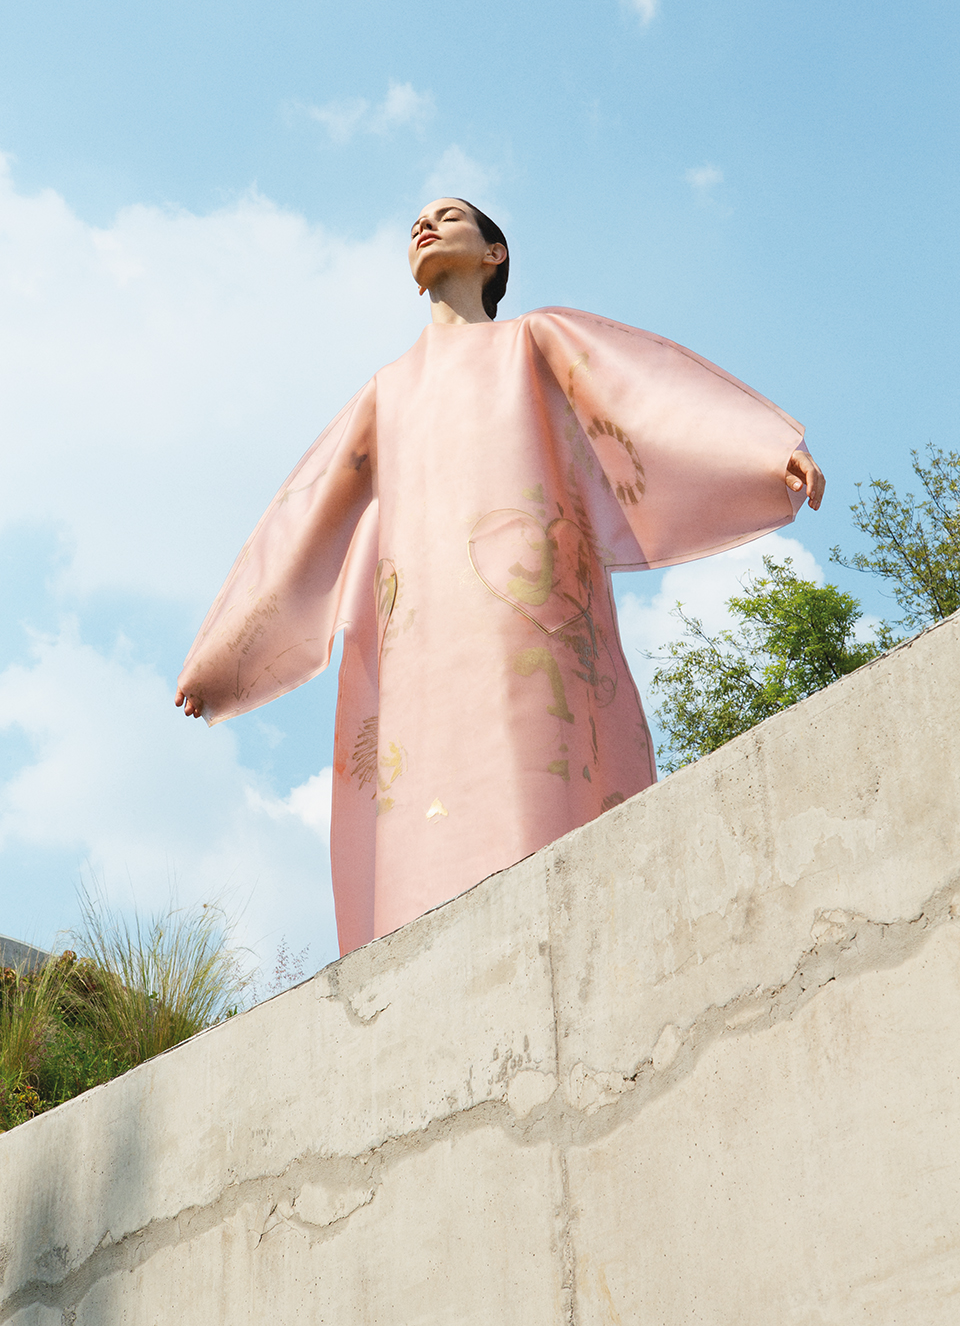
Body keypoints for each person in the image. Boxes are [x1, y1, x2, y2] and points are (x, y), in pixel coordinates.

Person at [177, 198, 825, 954]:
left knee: (537, 771)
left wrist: (761, 453)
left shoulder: (533, 342)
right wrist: (225, 656)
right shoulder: (387, 392)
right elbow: (309, 517)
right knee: (427, 796)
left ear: (495, 253)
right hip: (423, 638)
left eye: (449, 216)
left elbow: (644, 402)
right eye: (416, 223)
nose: (424, 226)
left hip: (530, 611)